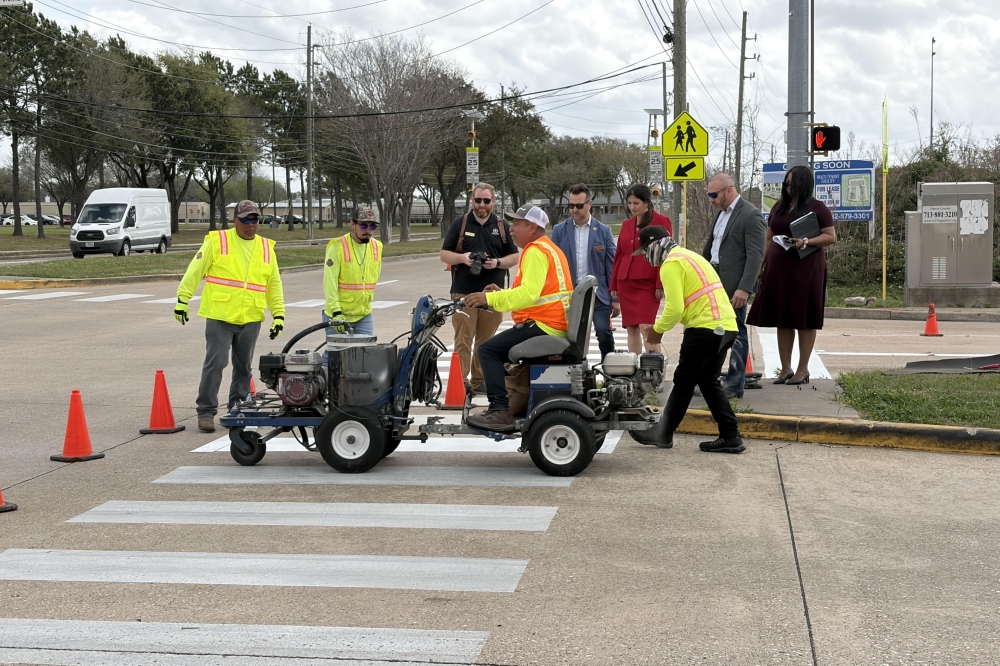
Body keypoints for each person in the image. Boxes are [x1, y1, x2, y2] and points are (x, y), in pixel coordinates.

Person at [630, 225, 745, 453]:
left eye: (645, 250)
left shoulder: (671, 264)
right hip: (726, 325)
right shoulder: (690, 256)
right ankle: (731, 435)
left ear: (656, 245)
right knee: (707, 381)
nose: (644, 255)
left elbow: (674, 309)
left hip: (705, 327)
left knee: (683, 381)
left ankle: (662, 434)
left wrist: (657, 330)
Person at [175, 200, 285, 433]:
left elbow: (273, 284)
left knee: (243, 368)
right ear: (235, 220)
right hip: (220, 315)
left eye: (254, 219)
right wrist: (183, 299)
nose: (250, 224)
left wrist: (278, 315)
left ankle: (238, 408)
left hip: (251, 317)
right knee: (216, 363)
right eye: (245, 219)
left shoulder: (266, 247)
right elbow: (195, 271)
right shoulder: (218, 241)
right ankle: (206, 412)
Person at [463, 205, 573, 431]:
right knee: (497, 349)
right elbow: (537, 291)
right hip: (554, 323)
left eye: (517, 224)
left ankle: (499, 410)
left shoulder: (535, 251)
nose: (511, 229)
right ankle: (511, 399)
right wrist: (500, 294)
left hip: (545, 324)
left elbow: (528, 294)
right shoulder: (550, 248)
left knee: (487, 350)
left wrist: (489, 300)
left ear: (532, 227)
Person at [747, 164, 837, 385]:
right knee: (783, 318)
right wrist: (761, 265)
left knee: (805, 318)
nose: (788, 188)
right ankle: (785, 368)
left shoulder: (818, 208)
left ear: (803, 185)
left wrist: (806, 242)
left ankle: (802, 369)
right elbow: (769, 237)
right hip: (779, 269)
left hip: (806, 267)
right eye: (785, 184)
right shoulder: (779, 207)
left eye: (791, 184)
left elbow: (830, 236)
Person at [439, 182, 520, 393]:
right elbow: (444, 254)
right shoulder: (461, 224)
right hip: (464, 292)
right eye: (477, 200)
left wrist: (497, 263)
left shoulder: (501, 226)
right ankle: (461, 383)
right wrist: (463, 258)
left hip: (493, 295)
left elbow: (514, 256)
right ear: (472, 200)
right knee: (463, 340)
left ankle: (479, 381)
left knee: (486, 342)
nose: (481, 205)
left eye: (486, 200)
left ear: (493, 201)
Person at [701, 173, 766, 398]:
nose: (711, 199)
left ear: (728, 190)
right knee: (711, 332)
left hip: (734, 286)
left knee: (736, 332)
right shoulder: (720, 214)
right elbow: (712, 249)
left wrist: (745, 288)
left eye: (713, 194)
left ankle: (734, 384)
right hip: (714, 282)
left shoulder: (751, 215)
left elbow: (756, 255)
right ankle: (709, 380)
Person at [550, 184, 618, 361]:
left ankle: (609, 368)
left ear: (590, 204)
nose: (574, 210)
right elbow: (552, 264)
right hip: (569, 295)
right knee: (571, 337)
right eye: (571, 206)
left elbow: (611, 266)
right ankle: (576, 372)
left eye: (579, 206)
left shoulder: (604, 231)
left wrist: (615, 298)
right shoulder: (559, 231)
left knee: (604, 332)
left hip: (598, 294)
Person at [610, 183, 673, 354]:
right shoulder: (626, 224)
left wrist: (661, 283)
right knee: (631, 329)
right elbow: (619, 255)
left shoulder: (661, 221)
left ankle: (653, 368)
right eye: (629, 203)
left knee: (647, 326)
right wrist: (614, 284)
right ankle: (635, 369)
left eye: (636, 203)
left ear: (646, 202)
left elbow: (666, 253)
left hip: (648, 282)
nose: (632, 207)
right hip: (626, 282)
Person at [323, 206, 382, 336]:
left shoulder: (377, 246)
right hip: (339, 315)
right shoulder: (337, 246)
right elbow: (330, 283)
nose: (368, 231)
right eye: (363, 226)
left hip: (364, 315)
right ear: (352, 224)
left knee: (364, 354)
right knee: (337, 354)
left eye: (372, 227)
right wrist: (336, 312)